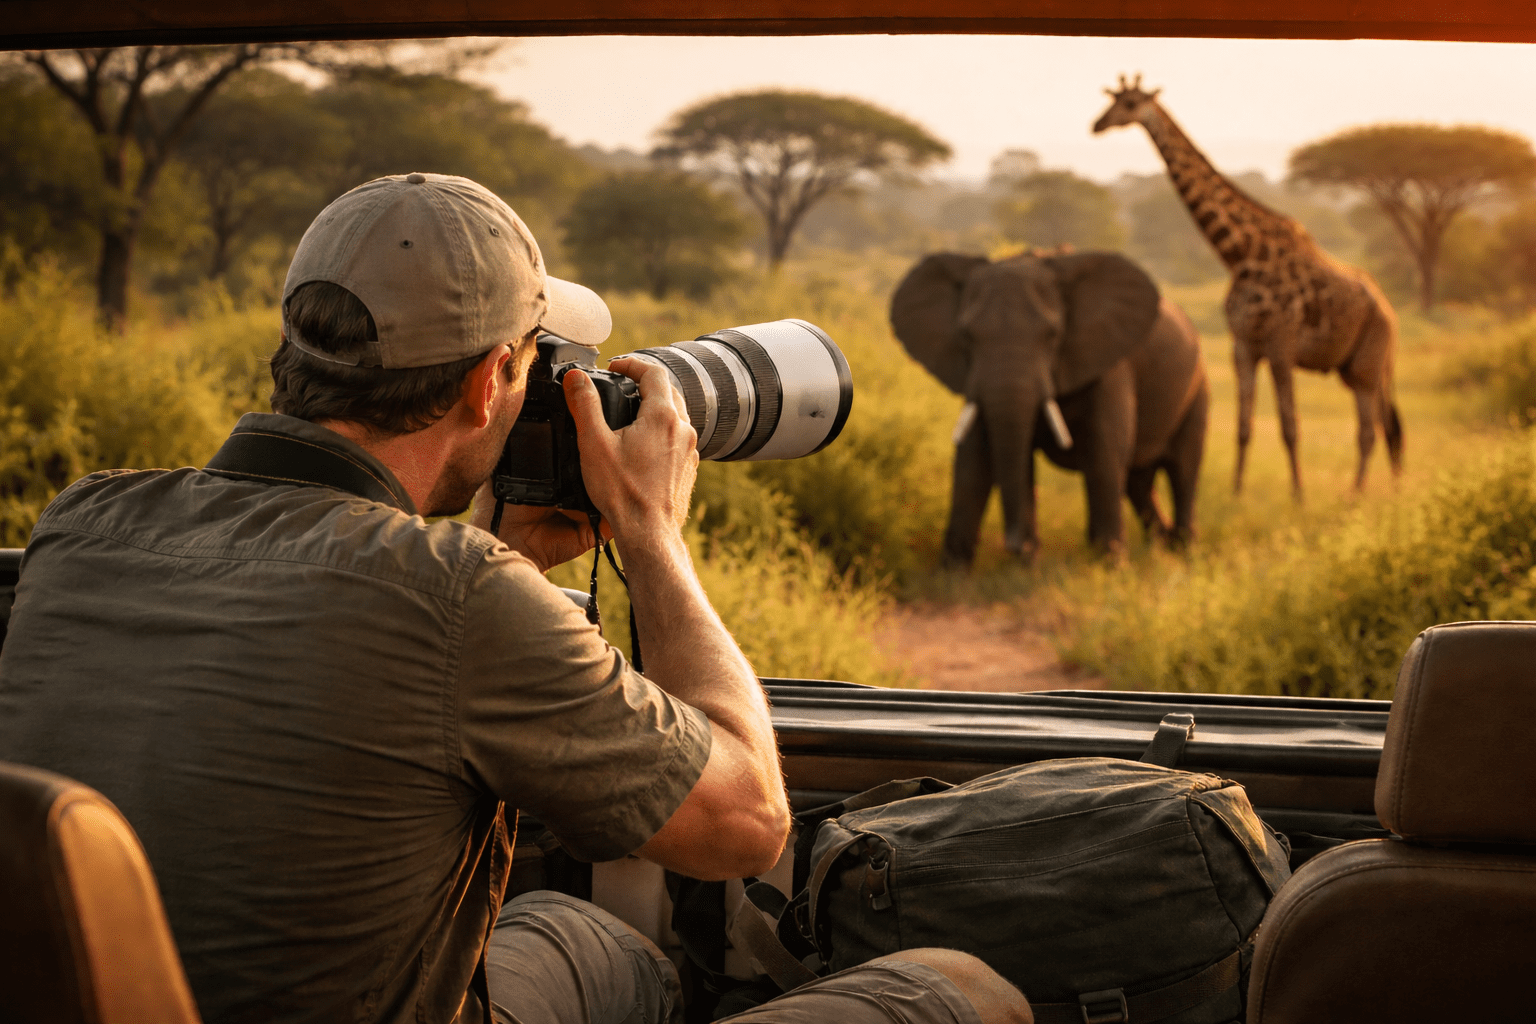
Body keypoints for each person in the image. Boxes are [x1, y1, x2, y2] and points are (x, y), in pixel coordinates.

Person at [0, 173, 1031, 1024]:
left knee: (590, 939)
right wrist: (652, 531)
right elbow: (748, 822)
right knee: (965, 992)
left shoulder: (82, 523)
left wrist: (504, 556)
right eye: (538, 364)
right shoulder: (456, 595)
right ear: (493, 381)